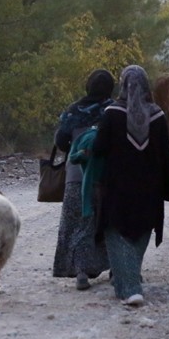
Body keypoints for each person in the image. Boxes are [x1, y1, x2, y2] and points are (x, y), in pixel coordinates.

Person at [91, 64, 169, 307]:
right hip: (149, 191)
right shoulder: (158, 116)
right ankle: (129, 280)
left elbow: (99, 149)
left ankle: (129, 287)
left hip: (117, 190)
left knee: (116, 233)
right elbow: (166, 157)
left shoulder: (112, 113)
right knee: (140, 232)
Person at [52, 69, 115, 290]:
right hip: (109, 175)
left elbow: (61, 141)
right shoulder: (114, 110)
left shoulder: (73, 110)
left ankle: (80, 272)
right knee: (109, 222)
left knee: (79, 222)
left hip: (77, 174)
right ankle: (115, 268)